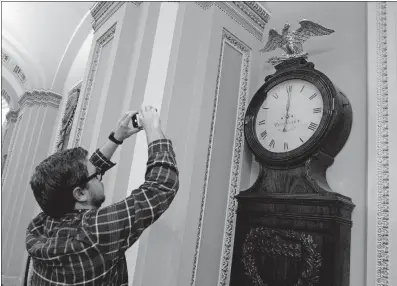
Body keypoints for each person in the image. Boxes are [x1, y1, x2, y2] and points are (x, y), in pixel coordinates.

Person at [25, 105, 179, 285]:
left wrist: (116, 138)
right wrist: (153, 128)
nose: (100, 176)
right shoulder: (93, 232)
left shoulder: (41, 223)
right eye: (96, 175)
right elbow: (160, 187)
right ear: (80, 193)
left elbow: (82, 176)